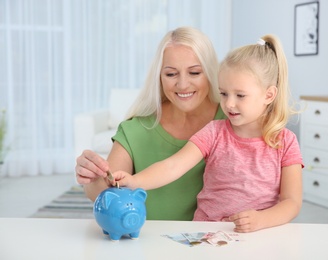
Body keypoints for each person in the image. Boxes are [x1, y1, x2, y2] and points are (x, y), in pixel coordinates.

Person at [110, 35, 304, 233]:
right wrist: (135, 181)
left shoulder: (285, 142)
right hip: (207, 234)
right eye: (224, 93)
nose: (229, 104)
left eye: (240, 95)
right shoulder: (213, 132)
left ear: (269, 95)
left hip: (259, 234)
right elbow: (173, 166)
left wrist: (261, 220)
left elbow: (292, 202)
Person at [75, 27, 226, 220]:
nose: (182, 84)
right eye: (171, 74)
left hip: (217, 245)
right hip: (150, 244)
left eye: (195, 72)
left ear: (211, 72)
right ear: (160, 77)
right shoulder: (137, 129)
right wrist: (93, 177)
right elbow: (104, 193)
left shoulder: (234, 122)